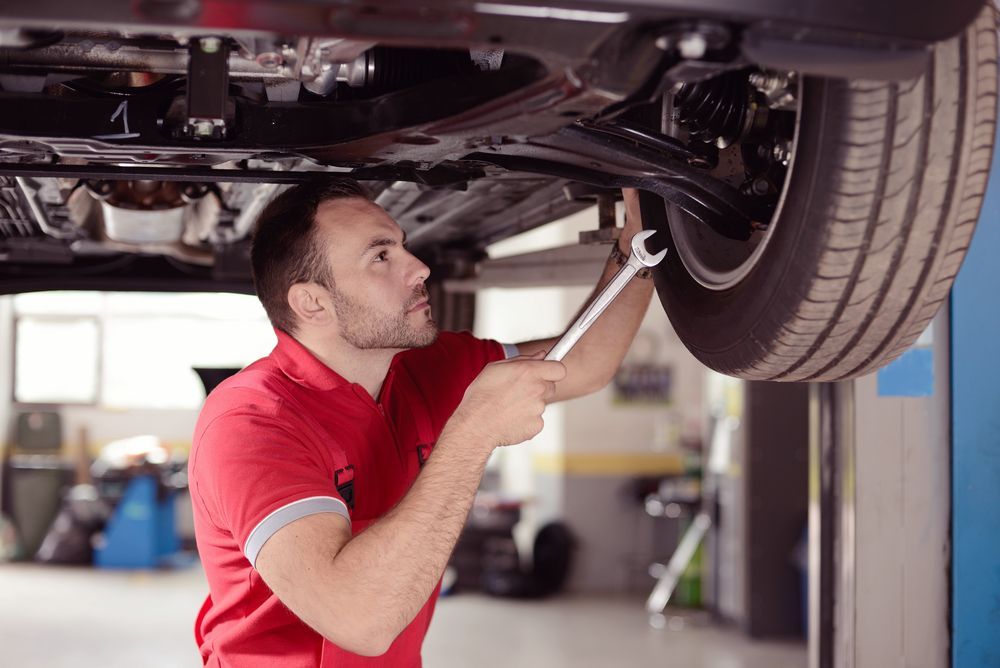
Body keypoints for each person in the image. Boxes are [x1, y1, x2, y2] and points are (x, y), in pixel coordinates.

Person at [188, 178, 655, 667]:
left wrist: (638, 248)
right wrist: (474, 431)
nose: (419, 268)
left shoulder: (427, 366)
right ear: (313, 303)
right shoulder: (250, 422)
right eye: (381, 257)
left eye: (402, 246)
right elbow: (359, 621)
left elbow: (582, 364)